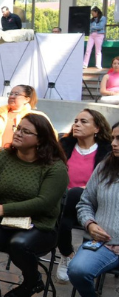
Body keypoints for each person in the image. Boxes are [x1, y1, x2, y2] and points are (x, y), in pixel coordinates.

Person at [0, 113, 68, 297]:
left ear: (39, 140)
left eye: (26, 132)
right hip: (2, 221)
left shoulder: (54, 167)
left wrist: (2, 209)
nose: (18, 133)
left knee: (19, 244)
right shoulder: (0, 158)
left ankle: (32, 281)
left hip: (39, 224)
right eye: (18, 128)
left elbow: (44, 203)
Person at [67, 121, 119, 297]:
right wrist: (89, 224)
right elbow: (85, 202)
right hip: (103, 243)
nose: (114, 143)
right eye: (114, 138)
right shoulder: (105, 166)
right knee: (77, 270)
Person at [55, 109, 113, 283]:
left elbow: (108, 181)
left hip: (92, 202)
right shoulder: (63, 146)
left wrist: (85, 189)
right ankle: (68, 254)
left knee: (75, 194)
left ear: (97, 128)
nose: (77, 124)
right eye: (76, 120)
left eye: (84, 121)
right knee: (66, 202)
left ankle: (68, 254)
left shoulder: (108, 151)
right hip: (61, 199)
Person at [0, 84, 53, 150]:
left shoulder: (36, 117)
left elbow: (49, 137)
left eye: (16, 94)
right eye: (10, 94)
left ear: (27, 99)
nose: (12, 97)